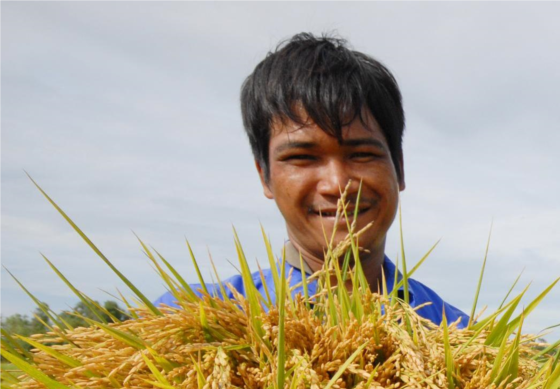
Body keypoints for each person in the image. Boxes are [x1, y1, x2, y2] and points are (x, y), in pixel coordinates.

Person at [155, 33, 466, 327]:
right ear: (265, 177)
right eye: (302, 158)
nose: (337, 185)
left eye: (361, 154)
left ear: (399, 168)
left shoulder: (466, 340)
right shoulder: (189, 320)